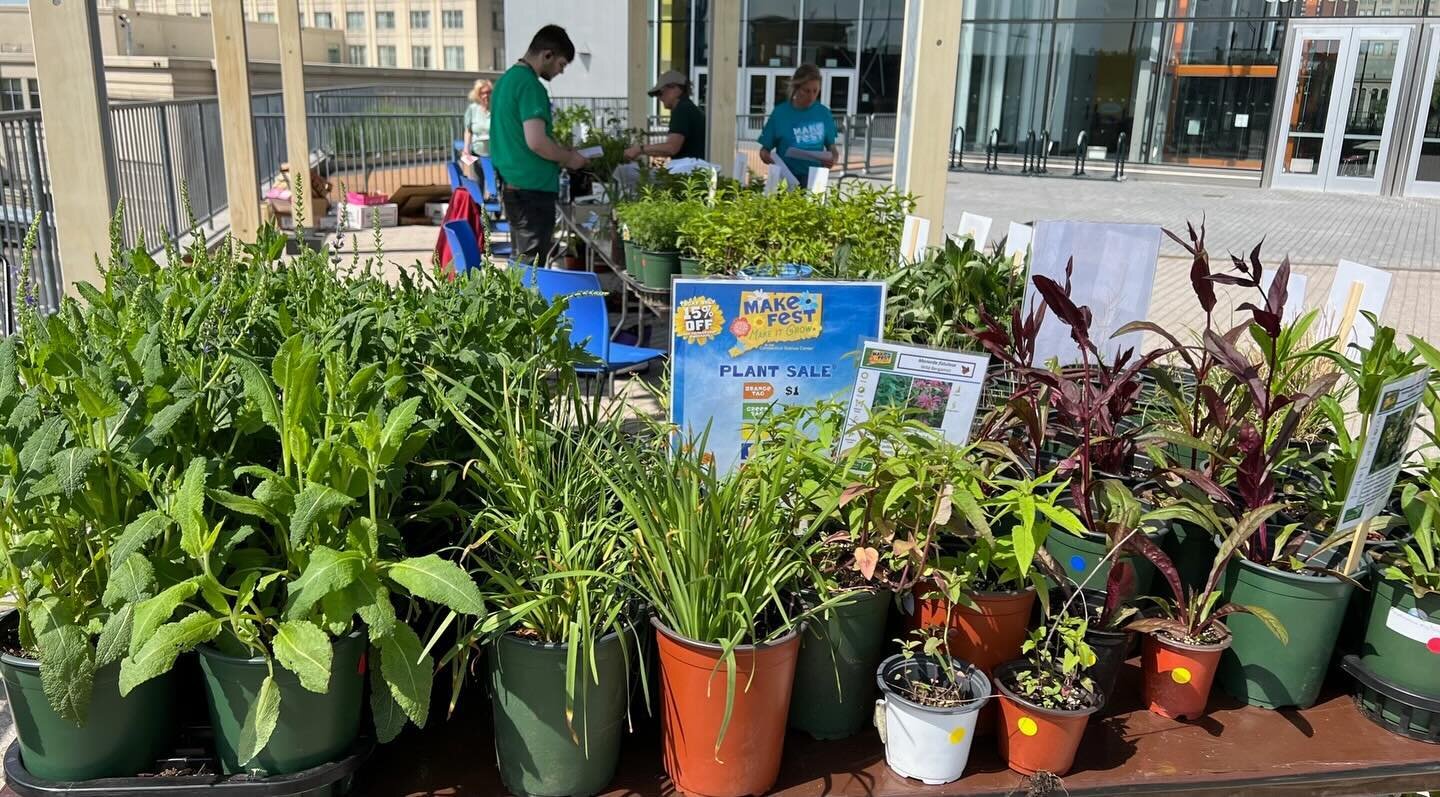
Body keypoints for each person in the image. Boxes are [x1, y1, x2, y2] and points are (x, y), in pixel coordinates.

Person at [490, 24, 589, 263]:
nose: (561, 72)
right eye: (561, 64)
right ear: (547, 55)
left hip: (515, 188)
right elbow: (536, 142)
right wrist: (569, 158)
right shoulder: (530, 85)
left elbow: (522, 137)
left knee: (521, 264)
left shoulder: (506, 81)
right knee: (531, 268)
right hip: (531, 194)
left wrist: (558, 148)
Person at [758, 63, 838, 184]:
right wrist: (768, 158)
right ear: (797, 88)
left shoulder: (824, 113)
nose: (811, 96)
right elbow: (764, 150)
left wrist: (833, 159)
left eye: (815, 91)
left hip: (814, 179)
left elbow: (832, 147)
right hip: (786, 179)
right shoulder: (780, 113)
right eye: (806, 91)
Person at [624, 70, 707, 162]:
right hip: (697, 171)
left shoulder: (682, 110)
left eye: (660, 93)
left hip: (691, 172)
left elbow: (671, 148)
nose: (659, 98)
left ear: (676, 88)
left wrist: (639, 149)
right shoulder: (689, 108)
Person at [461, 78, 492, 180]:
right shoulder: (472, 109)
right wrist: (466, 148)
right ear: (477, 95)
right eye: (482, 93)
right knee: (478, 181)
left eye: (488, 92)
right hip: (477, 152)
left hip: (495, 153)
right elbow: (468, 130)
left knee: (496, 183)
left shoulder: (496, 108)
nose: (485, 96)